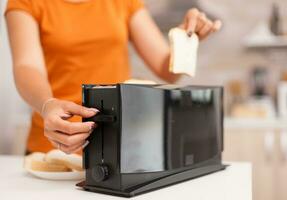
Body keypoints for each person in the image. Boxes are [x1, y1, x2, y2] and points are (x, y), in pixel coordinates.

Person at [5, 0, 221, 154]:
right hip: (53, 148)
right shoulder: (27, 2)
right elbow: (27, 65)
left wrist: (186, 40)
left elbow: (167, 70)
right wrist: (47, 105)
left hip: (118, 146)